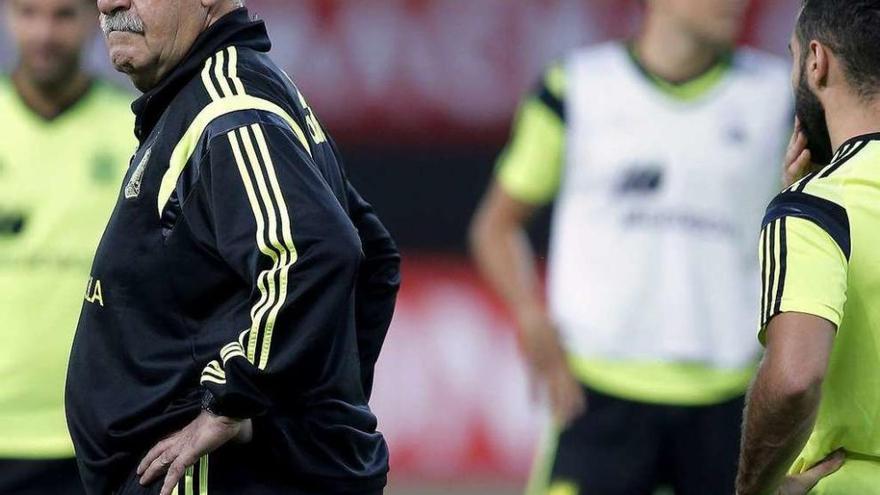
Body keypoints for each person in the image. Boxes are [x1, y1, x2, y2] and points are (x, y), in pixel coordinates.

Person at [64, 1, 401, 494]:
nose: (110, 3)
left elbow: (314, 252)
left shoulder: (228, 104)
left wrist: (234, 401)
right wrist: (310, 410)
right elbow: (375, 258)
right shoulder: (222, 92)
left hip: (209, 474)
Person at [469, 0, 796, 493]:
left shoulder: (780, 98)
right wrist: (529, 315)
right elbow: (496, 226)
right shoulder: (576, 87)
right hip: (596, 397)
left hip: (733, 403)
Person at [736, 1, 880, 493]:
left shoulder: (817, 207)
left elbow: (795, 378)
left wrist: (755, 488)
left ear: (817, 62)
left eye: (792, 55)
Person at [0, 0, 134, 493]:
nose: (44, 33)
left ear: (94, 20)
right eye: (28, 13)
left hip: (96, 432)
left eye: (62, 15)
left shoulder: (135, 130)